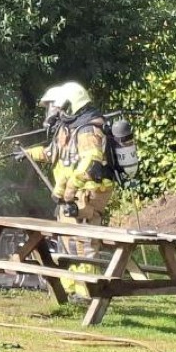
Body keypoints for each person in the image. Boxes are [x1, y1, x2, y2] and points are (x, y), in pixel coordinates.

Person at [21, 81, 115, 294]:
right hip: (71, 196)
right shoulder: (72, 128)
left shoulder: (89, 129)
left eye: (60, 107)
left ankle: (87, 290)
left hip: (87, 195)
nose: (57, 112)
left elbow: (90, 164)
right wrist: (28, 153)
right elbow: (54, 154)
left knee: (84, 244)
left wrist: (69, 190)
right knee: (67, 242)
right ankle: (71, 287)